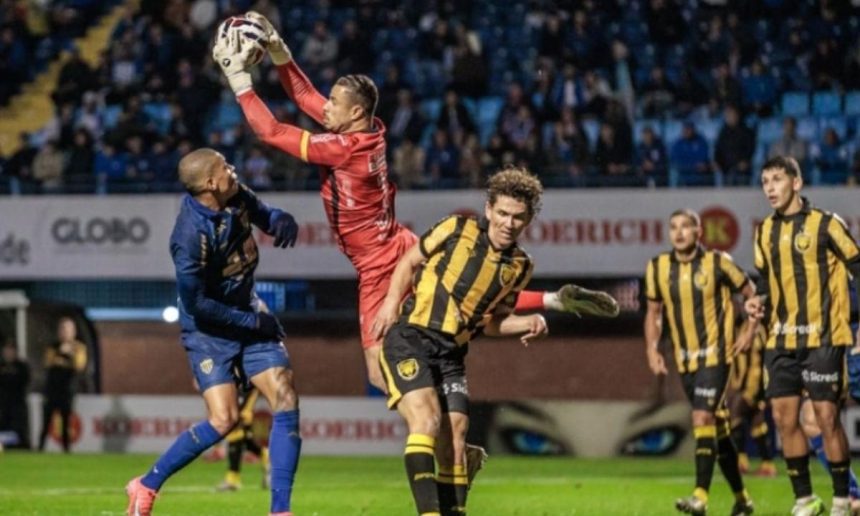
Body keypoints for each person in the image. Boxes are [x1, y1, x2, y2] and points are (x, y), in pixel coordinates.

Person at [212, 13, 618, 396]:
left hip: (377, 262)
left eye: (333, 102)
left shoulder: (344, 147)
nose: (326, 106)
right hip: (398, 241)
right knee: (462, 301)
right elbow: (305, 98)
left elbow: (271, 132)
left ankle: (430, 411)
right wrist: (280, 50)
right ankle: (553, 300)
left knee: (376, 368)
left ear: (354, 112)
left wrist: (238, 77)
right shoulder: (366, 131)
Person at [125, 148, 301, 516]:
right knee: (224, 420)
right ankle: (146, 485)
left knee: (285, 395)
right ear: (209, 183)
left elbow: (264, 214)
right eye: (225, 166)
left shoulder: (234, 193)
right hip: (209, 331)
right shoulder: (188, 236)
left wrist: (279, 218)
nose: (233, 169)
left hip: (247, 311)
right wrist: (252, 322)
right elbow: (198, 305)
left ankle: (280, 510)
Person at [371, 166, 549, 516]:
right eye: (502, 213)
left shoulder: (520, 267)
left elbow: (492, 323)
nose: (507, 223)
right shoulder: (456, 228)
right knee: (426, 420)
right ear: (488, 209)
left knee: (456, 437)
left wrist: (529, 321)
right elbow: (409, 261)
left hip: (452, 354)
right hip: (410, 337)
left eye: (517, 217)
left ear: (527, 221)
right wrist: (391, 302)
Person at [745, 156, 860, 516]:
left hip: (823, 336)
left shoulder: (825, 224)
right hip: (780, 340)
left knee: (826, 418)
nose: (770, 188)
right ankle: (805, 500)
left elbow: (857, 265)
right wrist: (756, 302)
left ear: (796, 183)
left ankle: (843, 499)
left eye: (777, 179)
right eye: (765, 181)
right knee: (784, 418)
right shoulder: (764, 231)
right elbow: (765, 281)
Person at [644, 209, 755, 516]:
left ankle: (700, 497)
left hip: (716, 356)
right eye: (673, 227)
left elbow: (750, 293)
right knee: (717, 428)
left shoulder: (718, 263)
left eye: (685, 227)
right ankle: (743, 500)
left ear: (698, 232)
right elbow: (654, 313)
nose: (678, 232)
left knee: (701, 417)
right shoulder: (658, 267)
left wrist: (749, 329)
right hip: (684, 361)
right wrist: (652, 350)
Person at [726, 321, 776, 477]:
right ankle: (766, 464)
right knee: (757, 423)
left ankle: (741, 461)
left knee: (735, 415)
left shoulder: (756, 329)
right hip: (746, 384)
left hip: (752, 385)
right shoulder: (739, 328)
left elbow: (761, 358)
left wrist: (760, 389)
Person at [38, 317, 87, 452]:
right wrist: (61, 352)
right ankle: (40, 448)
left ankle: (66, 450)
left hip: (67, 389)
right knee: (46, 420)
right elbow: (47, 362)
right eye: (62, 329)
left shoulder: (79, 348)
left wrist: (69, 354)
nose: (64, 332)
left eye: (67, 329)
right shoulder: (52, 347)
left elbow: (79, 365)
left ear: (74, 331)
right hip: (51, 389)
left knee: (66, 421)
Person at [217, 386, 271, 491]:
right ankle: (267, 456)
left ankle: (232, 480)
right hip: (241, 414)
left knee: (235, 439)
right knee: (246, 443)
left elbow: (244, 398)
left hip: (242, 416)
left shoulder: (248, 379)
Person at [0, 342, 30, 449]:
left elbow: (24, 382)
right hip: (3, 405)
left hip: (18, 405)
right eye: (6, 350)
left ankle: (21, 448)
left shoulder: (21, 366)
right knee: (4, 427)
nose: (8, 352)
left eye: (11, 350)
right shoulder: (2, 366)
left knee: (18, 429)